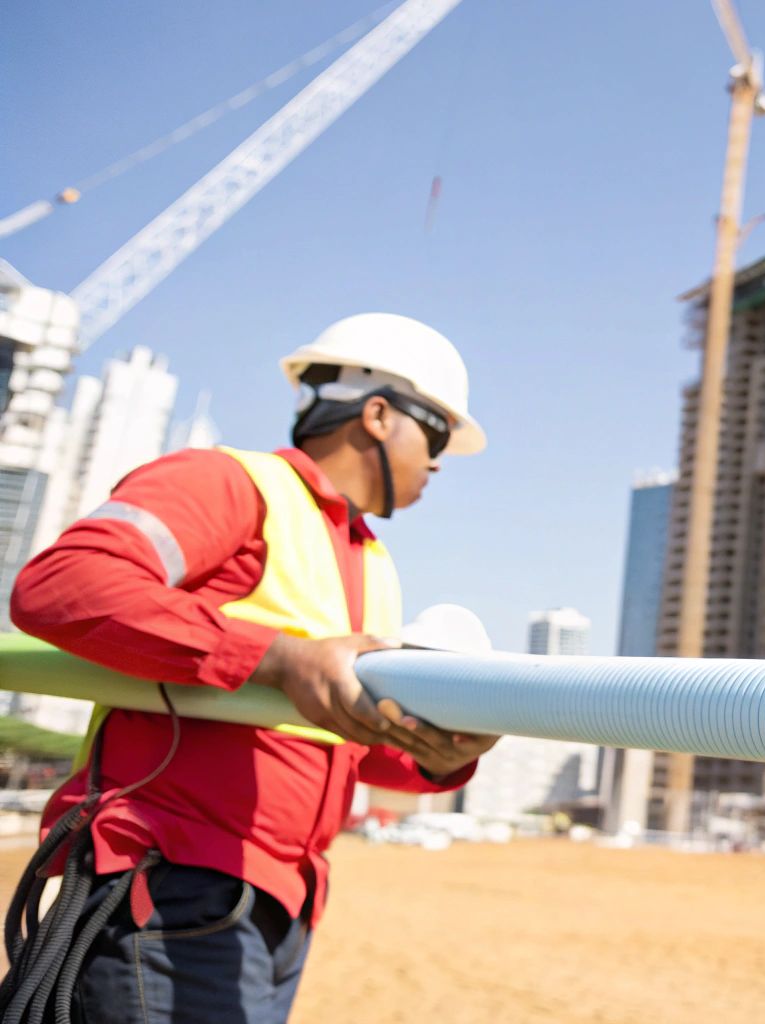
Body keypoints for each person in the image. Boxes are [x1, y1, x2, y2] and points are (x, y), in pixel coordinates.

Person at [3, 313, 500, 1022]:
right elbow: (61, 585)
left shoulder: (370, 564)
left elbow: (339, 742)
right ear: (381, 415)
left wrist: (442, 758)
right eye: (440, 435)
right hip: (171, 887)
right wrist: (279, 658)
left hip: (280, 909)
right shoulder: (231, 484)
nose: (442, 462)